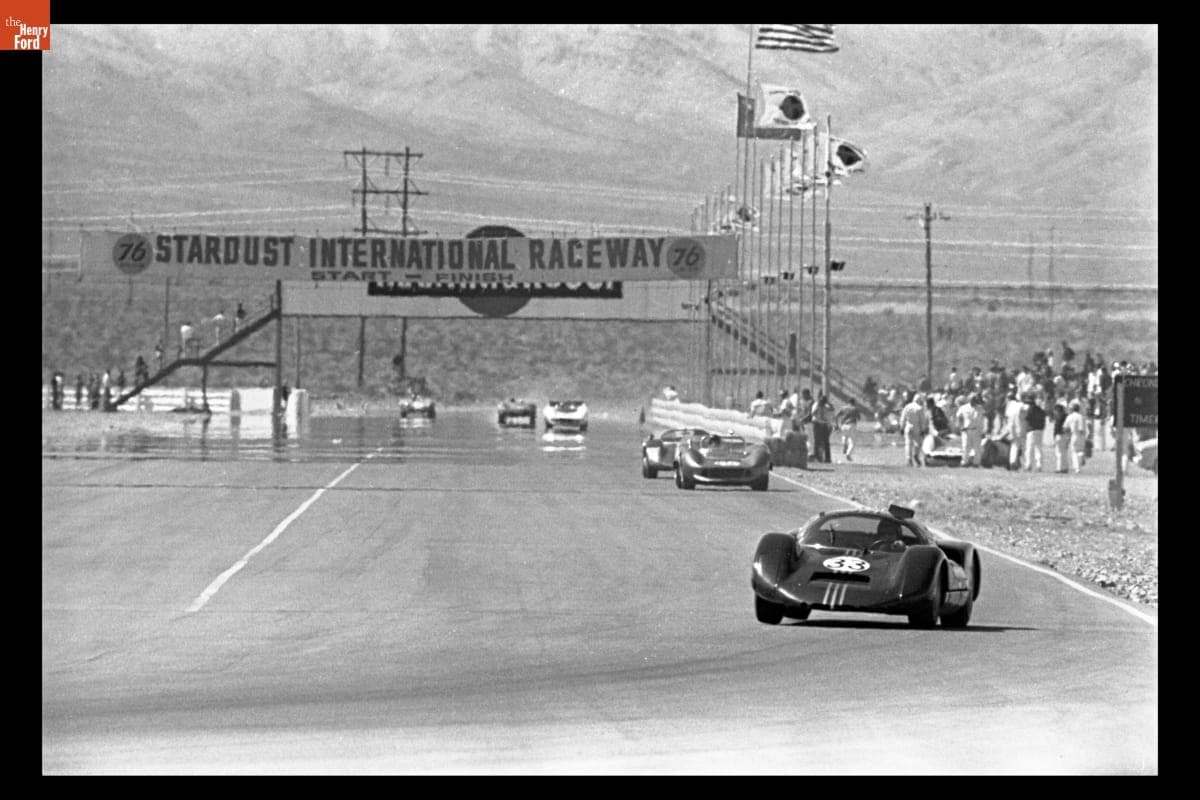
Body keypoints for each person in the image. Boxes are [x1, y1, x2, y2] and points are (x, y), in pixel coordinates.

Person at [899, 391, 927, 467]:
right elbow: (922, 421)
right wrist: (923, 430)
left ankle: (908, 459)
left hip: (908, 426)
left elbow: (903, 418)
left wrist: (901, 427)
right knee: (918, 443)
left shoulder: (907, 407)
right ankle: (916, 455)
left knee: (908, 444)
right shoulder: (919, 408)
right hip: (916, 427)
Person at [955, 395, 983, 466]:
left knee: (977, 447)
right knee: (965, 447)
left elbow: (983, 417)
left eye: (976, 400)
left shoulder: (980, 408)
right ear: (970, 400)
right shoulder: (963, 407)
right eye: (973, 399)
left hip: (976, 430)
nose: (974, 401)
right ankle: (964, 462)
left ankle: (976, 463)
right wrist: (960, 426)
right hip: (966, 430)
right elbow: (958, 416)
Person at [1002, 389, 1025, 471]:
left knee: (1014, 446)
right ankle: (1016, 464)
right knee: (1019, 446)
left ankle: (1012, 463)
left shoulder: (1010, 406)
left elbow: (1006, 418)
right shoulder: (1020, 404)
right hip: (1019, 427)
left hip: (1011, 428)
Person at [1023, 393, 1046, 472]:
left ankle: (1028, 465)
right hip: (1039, 430)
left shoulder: (1030, 410)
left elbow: (1026, 419)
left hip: (1031, 430)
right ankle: (1039, 465)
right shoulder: (1040, 410)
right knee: (1038, 448)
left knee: (1029, 448)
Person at [810, 393, 835, 463]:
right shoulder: (816, 404)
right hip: (817, 423)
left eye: (824, 401)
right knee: (817, 441)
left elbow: (832, 410)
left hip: (824, 424)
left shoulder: (826, 406)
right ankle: (817, 457)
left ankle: (827, 458)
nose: (823, 403)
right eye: (822, 401)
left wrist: (828, 405)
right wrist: (819, 406)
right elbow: (813, 413)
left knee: (826, 442)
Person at [1065, 400, 1088, 473]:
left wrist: (1068, 435)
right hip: (1081, 435)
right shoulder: (1081, 417)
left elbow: (1065, 427)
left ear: (1072, 409)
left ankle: (1077, 468)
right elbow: (1081, 428)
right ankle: (1080, 461)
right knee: (1080, 451)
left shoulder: (1070, 417)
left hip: (1073, 435)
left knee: (1074, 452)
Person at [1052, 399, 1070, 473]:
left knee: (1059, 453)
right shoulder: (1067, 416)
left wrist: (1054, 436)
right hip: (1066, 435)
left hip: (1060, 435)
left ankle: (1059, 468)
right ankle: (1065, 467)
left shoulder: (1059, 417)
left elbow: (1057, 427)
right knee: (1064, 452)